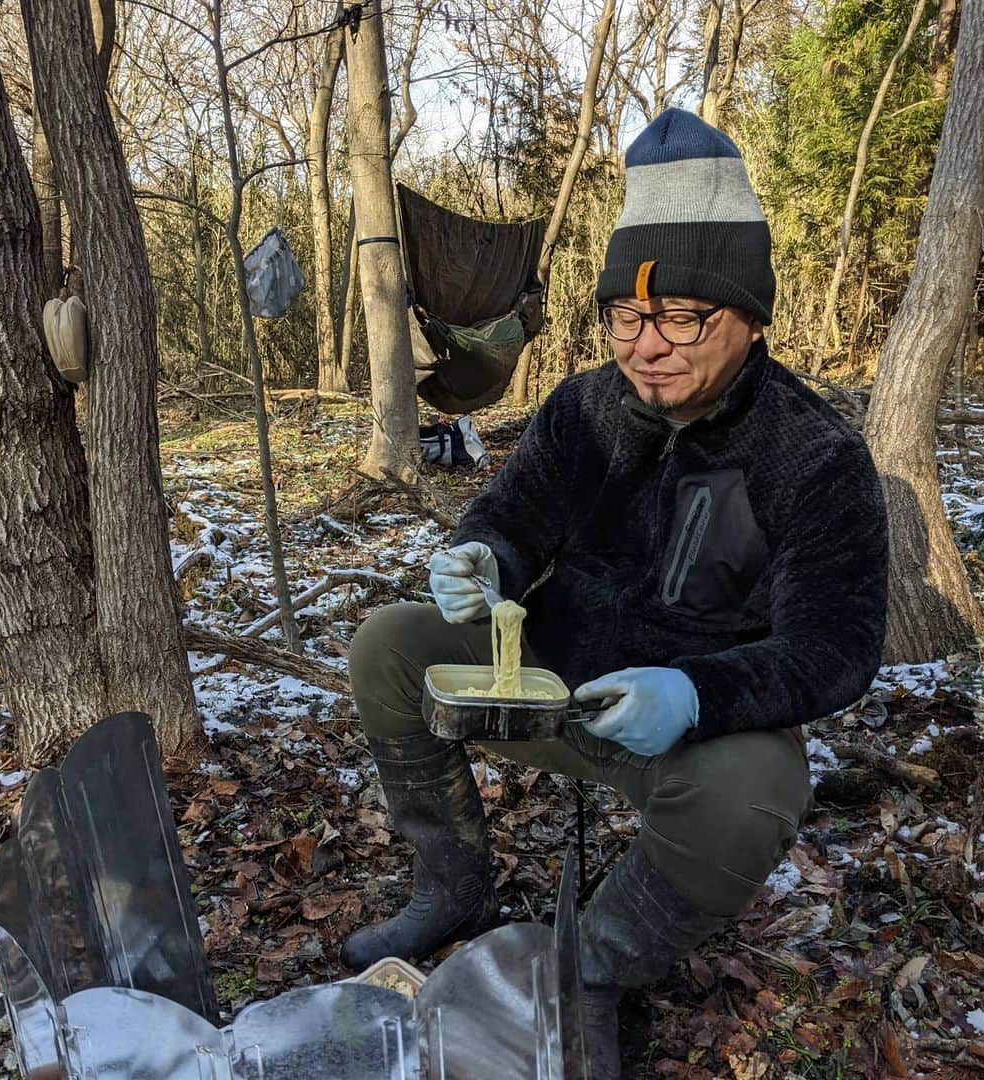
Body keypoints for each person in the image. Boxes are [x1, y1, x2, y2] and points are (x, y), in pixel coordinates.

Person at [340, 108, 888, 1078]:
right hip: (548, 685)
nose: (649, 345)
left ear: (750, 316)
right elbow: (512, 518)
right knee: (389, 642)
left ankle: (596, 961)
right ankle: (453, 876)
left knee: (760, 790)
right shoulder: (585, 408)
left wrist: (698, 695)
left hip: (689, 728)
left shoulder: (815, 455)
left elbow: (833, 650)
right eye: (626, 317)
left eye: (683, 315)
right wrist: (481, 562)